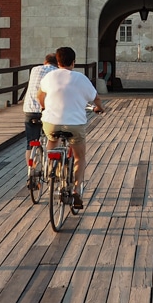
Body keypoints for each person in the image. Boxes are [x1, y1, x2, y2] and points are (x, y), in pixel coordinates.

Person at [38, 45, 103, 208]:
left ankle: (51, 169)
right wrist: (100, 108)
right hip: (74, 124)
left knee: (52, 143)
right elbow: (96, 98)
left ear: (57, 61)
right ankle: (75, 191)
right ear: (73, 62)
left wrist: (44, 107)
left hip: (51, 123)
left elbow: (40, 95)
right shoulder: (80, 78)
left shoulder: (50, 76)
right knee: (80, 157)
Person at [21, 54, 58, 183]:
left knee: (30, 143)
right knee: (52, 138)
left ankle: (31, 172)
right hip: (46, 111)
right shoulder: (56, 72)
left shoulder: (35, 69)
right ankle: (49, 168)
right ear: (57, 63)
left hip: (29, 110)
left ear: (45, 61)